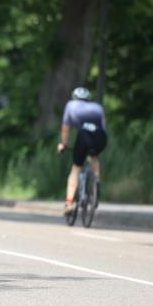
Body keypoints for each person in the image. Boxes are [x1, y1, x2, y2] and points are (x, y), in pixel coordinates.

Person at [57, 86, 108, 215]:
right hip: (100, 136)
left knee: (76, 168)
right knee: (94, 156)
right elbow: (103, 128)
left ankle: (69, 203)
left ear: (74, 97)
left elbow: (66, 127)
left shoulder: (70, 105)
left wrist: (63, 144)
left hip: (84, 136)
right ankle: (96, 182)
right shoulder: (98, 107)